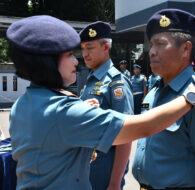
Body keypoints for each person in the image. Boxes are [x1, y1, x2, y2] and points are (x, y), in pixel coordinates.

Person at [7, 15, 195, 190]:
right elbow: (142, 126)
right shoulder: (62, 109)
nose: (78, 59)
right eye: (69, 55)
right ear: (47, 63)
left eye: (160, 43)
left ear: (186, 49)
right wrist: (190, 99)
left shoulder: (25, 103)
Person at [132, 9, 195, 190]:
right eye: (151, 44)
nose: (151, 52)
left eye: (160, 44)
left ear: (185, 49)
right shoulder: (154, 90)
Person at [79, 21, 133, 190]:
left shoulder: (116, 82)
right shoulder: (92, 79)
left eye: (90, 47)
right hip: (87, 169)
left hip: (105, 171)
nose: (85, 54)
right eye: (82, 48)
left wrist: (115, 182)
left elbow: (126, 134)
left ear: (106, 47)